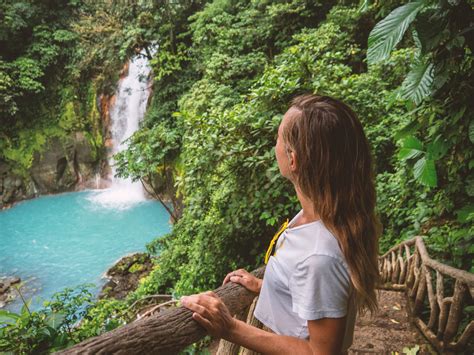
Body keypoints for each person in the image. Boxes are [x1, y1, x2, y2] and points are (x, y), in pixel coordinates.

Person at [181, 94, 380, 354]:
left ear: (293, 159)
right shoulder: (323, 215)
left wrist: (229, 328)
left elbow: (318, 352)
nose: (274, 145)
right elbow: (310, 291)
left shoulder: (320, 255)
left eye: (278, 138)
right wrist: (270, 286)